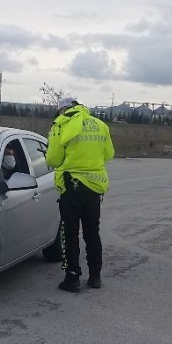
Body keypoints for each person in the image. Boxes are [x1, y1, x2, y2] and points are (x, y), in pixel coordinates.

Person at [46, 97, 115, 292]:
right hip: (94, 187)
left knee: (70, 232)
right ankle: (95, 276)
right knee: (92, 232)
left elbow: (53, 158)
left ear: (63, 110)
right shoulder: (100, 125)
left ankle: (72, 277)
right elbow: (109, 154)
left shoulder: (61, 125)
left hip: (72, 185)